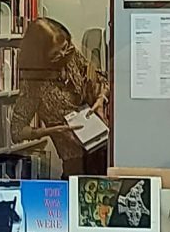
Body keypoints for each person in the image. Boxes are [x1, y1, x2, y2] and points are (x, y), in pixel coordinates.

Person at [13, 16, 112, 176]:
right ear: (42, 57)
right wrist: (53, 130)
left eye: (65, 47)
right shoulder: (34, 84)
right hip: (75, 160)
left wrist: (101, 99)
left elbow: (102, 79)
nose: (64, 54)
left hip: (102, 146)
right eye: (56, 54)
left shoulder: (71, 56)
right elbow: (16, 131)